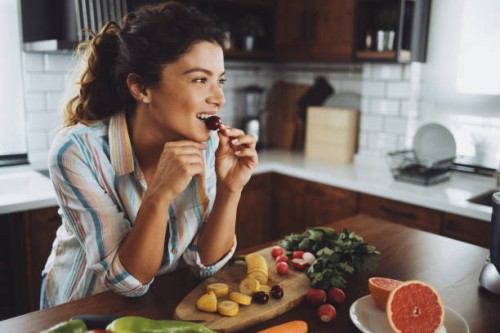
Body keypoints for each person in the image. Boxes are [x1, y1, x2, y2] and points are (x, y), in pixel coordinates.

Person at [41, 1, 258, 308]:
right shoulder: (78, 152)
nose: (219, 98)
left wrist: (230, 189)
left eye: (219, 80)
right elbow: (128, 283)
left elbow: (207, 263)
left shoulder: (207, 144)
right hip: (82, 310)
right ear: (141, 88)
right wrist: (158, 195)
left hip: (158, 306)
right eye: (199, 79)